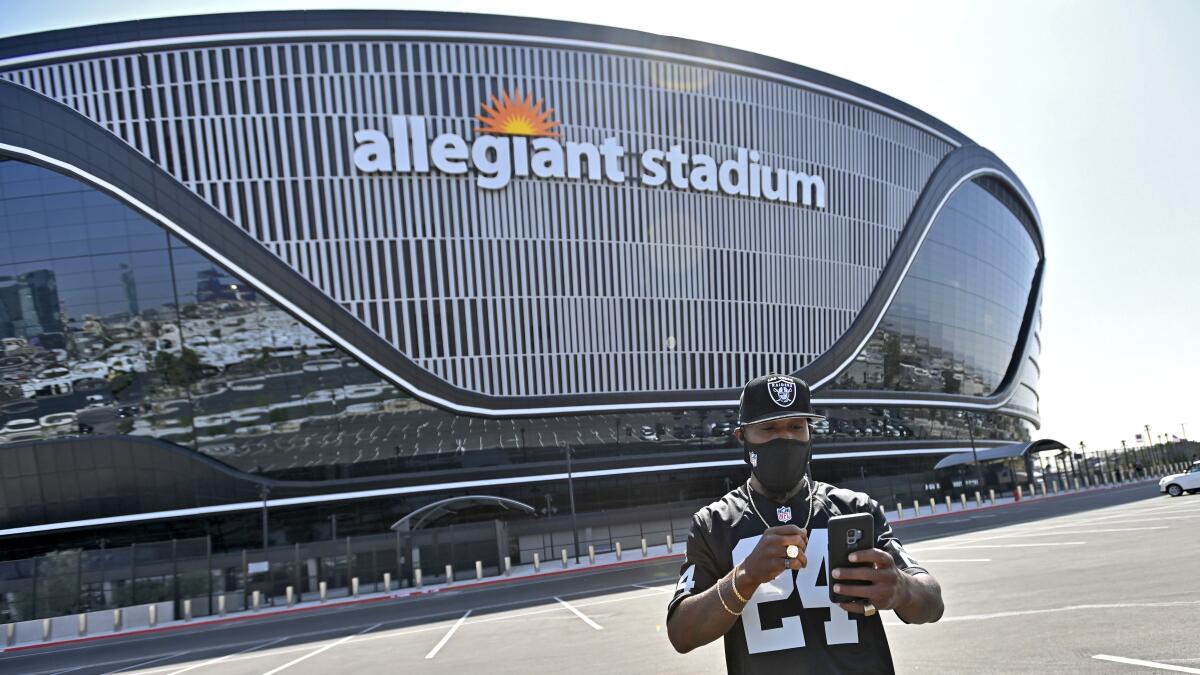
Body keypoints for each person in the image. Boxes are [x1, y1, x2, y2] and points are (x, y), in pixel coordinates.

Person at [666, 374, 944, 673]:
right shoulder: (714, 524)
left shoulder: (855, 508)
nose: (784, 439)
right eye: (769, 428)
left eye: (796, 427)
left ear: (810, 433)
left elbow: (932, 602)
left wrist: (902, 589)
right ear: (742, 437)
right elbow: (682, 634)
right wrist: (745, 576)